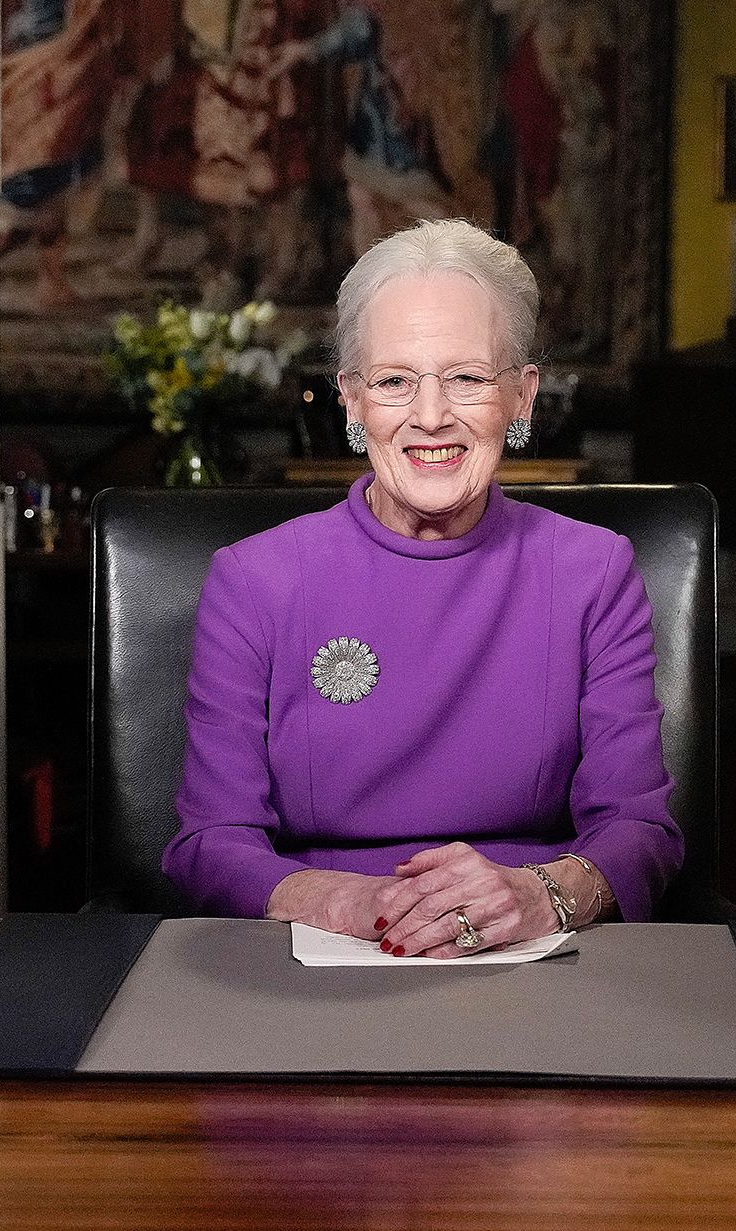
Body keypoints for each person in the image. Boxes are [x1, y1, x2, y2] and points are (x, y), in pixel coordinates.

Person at [163, 218, 683, 957]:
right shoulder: (253, 580)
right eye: (394, 380)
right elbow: (210, 843)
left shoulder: (592, 571)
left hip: (530, 956)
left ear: (522, 396)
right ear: (351, 399)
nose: (430, 416)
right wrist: (356, 902)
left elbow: (640, 831)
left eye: (467, 378)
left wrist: (540, 894)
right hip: (314, 953)